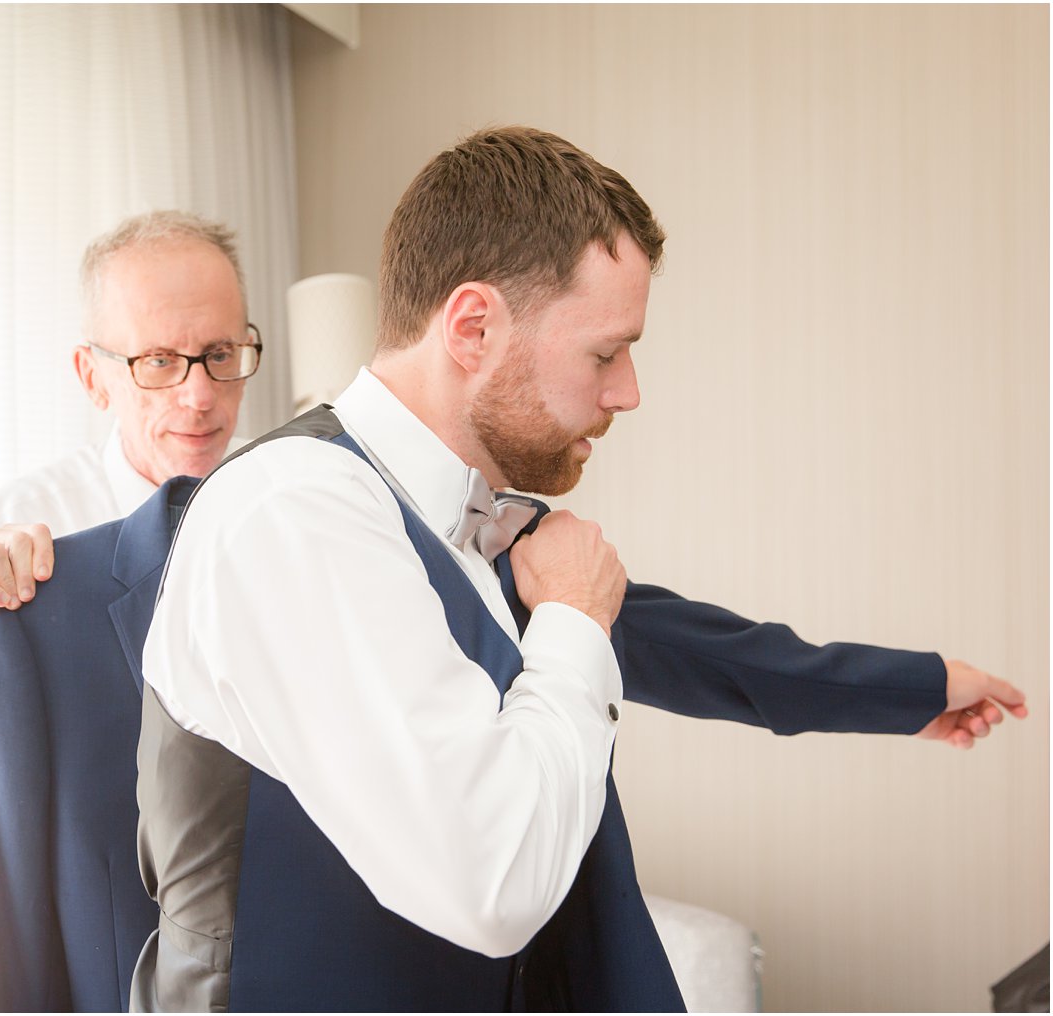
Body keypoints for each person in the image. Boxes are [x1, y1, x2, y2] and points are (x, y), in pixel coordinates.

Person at [131, 126, 1027, 1011]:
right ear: (474, 325)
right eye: (605, 351)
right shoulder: (298, 511)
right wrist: (570, 618)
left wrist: (913, 689)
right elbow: (490, 878)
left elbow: (682, 642)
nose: (626, 391)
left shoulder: (465, 515)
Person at [0, 210, 259, 798]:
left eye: (220, 354)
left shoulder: (293, 498)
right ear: (93, 377)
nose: (199, 397)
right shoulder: (17, 527)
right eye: (160, 362)